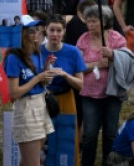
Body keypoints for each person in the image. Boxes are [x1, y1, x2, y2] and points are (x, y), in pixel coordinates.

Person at [77, 4, 127, 166]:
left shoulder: (116, 39)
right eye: (88, 21)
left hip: (112, 92)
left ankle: (109, 162)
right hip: (89, 94)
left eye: (94, 21)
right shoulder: (83, 40)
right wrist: (97, 64)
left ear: (104, 21)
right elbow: (77, 67)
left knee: (110, 133)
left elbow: (127, 61)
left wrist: (113, 56)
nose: (90, 25)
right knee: (90, 134)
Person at [5, 15, 55, 166]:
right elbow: (14, 93)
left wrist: (46, 69)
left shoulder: (36, 52)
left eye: (37, 29)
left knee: (28, 160)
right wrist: (38, 78)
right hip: (26, 107)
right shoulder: (13, 57)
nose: (36, 33)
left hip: (40, 103)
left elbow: (42, 82)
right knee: (33, 162)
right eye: (31, 30)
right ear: (21, 33)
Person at [42, 16, 87, 163]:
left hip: (66, 99)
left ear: (64, 32)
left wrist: (66, 75)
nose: (55, 34)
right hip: (42, 99)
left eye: (59, 30)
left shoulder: (73, 52)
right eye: (52, 30)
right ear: (45, 30)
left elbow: (80, 85)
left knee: (66, 143)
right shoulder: (37, 51)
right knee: (44, 142)